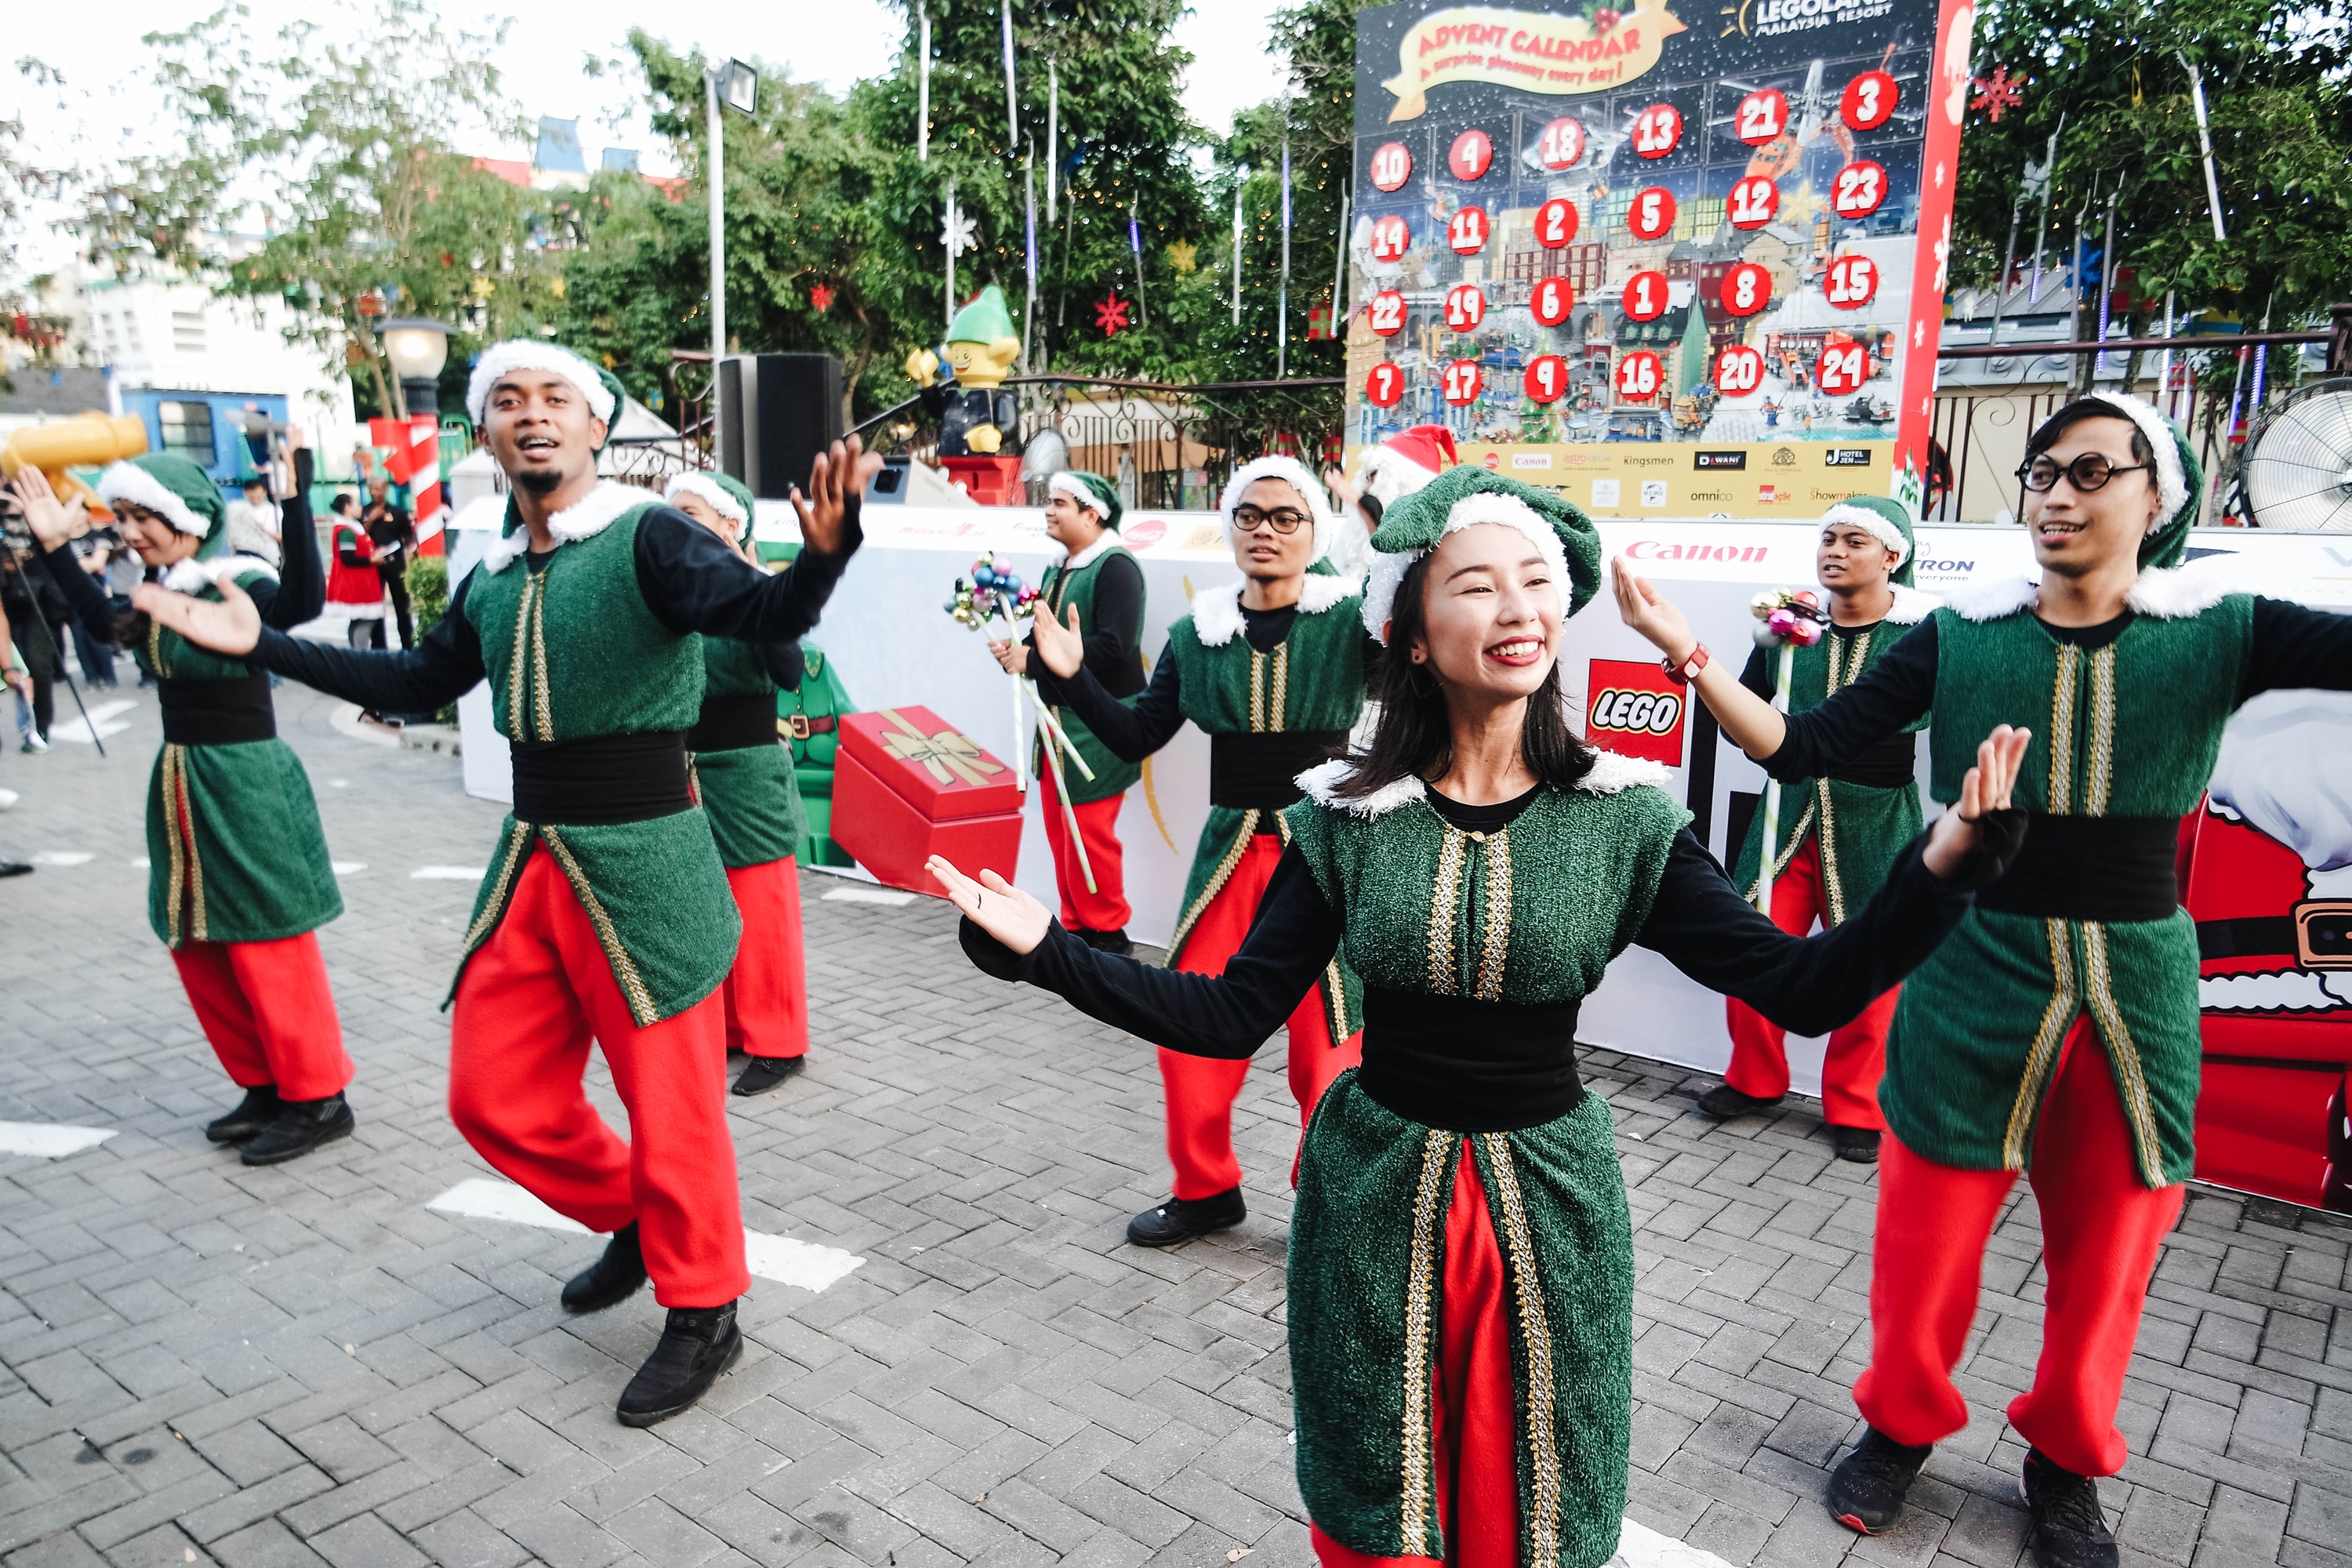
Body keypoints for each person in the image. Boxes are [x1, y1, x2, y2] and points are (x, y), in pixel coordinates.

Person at [938, 466, 2027, 1568]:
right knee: (1378, 1504)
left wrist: (1939, 870)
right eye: (1476, 585)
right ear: (1410, 631)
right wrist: (1050, 953)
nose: (1516, 609)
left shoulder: (1625, 820)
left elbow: (1807, 987)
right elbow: (1229, 1016)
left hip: (1551, 1206)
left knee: (1536, 1509)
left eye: (1536, 582)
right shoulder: (1348, 817)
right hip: (1368, 1196)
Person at [1612, 392, 2352, 1568]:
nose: (2057, 493)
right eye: (2044, 472)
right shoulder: (1960, 635)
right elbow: (1801, 747)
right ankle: (1898, 1425)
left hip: (2141, 987)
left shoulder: (2225, 629)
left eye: (2093, 472)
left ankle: (2065, 1461)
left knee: (2113, 1245)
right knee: (1927, 1239)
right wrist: (1686, 650)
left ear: (2155, 498)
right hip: (1970, 966)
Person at [131, 340, 870, 1428]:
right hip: (532, 860)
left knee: (674, 1114)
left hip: (650, 857)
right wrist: (268, 646)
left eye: (556, 399)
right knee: (492, 1098)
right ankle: (633, 1217)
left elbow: (762, 621)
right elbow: (418, 682)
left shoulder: (651, 535)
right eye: (509, 401)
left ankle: (705, 1307)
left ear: (594, 426)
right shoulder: (490, 572)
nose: (533, 416)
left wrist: (819, 561)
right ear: (485, 433)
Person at [1028, 456, 1370, 1247]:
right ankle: (1206, 1188)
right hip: (1230, 853)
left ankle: (1332, 1203)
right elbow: (1139, 732)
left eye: (1287, 516)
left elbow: (1429, 665)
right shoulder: (1197, 633)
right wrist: (1077, 681)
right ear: (1229, 527)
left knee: (1332, 1047)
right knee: (1186, 1034)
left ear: (1315, 530)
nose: (1266, 530)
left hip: (1322, 851)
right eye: (1250, 515)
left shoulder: (1351, 621)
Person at [5, 444, 354, 1165]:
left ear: (189, 519)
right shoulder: (161, 586)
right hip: (181, 777)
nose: (130, 532)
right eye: (123, 517)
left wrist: (296, 505)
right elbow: (104, 625)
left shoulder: (236, 580)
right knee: (195, 936)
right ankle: (265, 1081)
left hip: (247, 775)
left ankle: (319, 1096)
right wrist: (54, 543)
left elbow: (300, 606)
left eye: (142, 517)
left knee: (268, 936)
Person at [1703, 494, 1937, 1163]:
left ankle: (1859, 1104)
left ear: (1894, 557)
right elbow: (1744, 709)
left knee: (1875, 966)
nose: (1834, 551)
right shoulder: (1786, 628)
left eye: (1855, 541)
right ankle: (1754, 1079)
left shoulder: (1924, 636)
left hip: (1878, 819)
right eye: (1828, 538)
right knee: (1753, 947)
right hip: (1787, 814)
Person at [663, 468, 815, 1097]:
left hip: (748, 769)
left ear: (732, 526)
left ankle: (779, 1043)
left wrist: (763, 597)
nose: (677, 526)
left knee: (761, 911)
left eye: (692, 513)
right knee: (706, 909)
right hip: (683, 771)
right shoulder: (669, 595)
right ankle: (728, 1028)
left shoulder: (758, 589)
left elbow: (789, 672)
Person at [987, 470, 1144, 953]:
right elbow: (1047, 633)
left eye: (1060, 503)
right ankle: (1077, 924)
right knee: (1062, 827)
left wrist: (1032, 659)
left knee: (1091, 828)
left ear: (1092, 513)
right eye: (1048, 501)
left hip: (1101, 720)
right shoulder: (1060, 567)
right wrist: (1020, 646)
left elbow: (1115, 648)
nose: (1048, 510)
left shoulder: (1117, 567)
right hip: (1058, 717)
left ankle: (1108, 930)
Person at [325, 495, 387, 649]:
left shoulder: (352, 527)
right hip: (357, 582)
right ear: (347, 507)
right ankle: (360, 655)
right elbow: (348, 558)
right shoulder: (346, 530)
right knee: (365, 620)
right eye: (357, 504)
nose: (360, 507)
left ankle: (357, 654)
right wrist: (372, 560)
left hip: (361, 580)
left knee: (359, 620)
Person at [363, 476, 416, 648]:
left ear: (385, 489)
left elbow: (408, 538)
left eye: (378, 489)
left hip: (395, 564)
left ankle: (407, 646)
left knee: (402, 606)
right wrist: (370, 520)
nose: (374, 493)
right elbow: (360, 536)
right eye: (371, 489)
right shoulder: (364, 512)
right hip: (374, 566)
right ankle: (379, 647)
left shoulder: (398, 512)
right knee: (376, 609)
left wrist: (411, 558)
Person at [224, 474, 283, 566]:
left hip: (267, 555)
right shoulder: (236, 508)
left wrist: (265, 531)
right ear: (245, 493)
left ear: (265, 492)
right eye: (252, 497)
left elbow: (282, 537)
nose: (255, 500)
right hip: (242, 554)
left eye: (258, 497)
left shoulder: (275, 511)